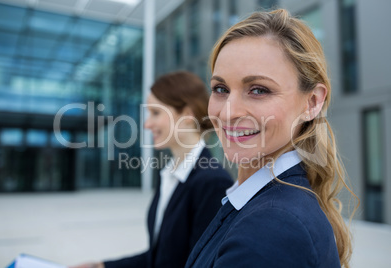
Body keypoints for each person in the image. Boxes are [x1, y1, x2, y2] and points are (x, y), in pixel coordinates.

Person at [185, 9, 358, 268]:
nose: (228, 112)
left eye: (258, 90)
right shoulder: (268, 204)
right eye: (220, 89)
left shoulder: (273, 227)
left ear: (312, 102)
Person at [72, 71, 233, 268]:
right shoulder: (169, 175)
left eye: (155, 113)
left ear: (187, 114)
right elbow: (161, 256)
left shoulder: (212, 183)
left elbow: (200, 263)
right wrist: (101, 266)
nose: (147, 124)